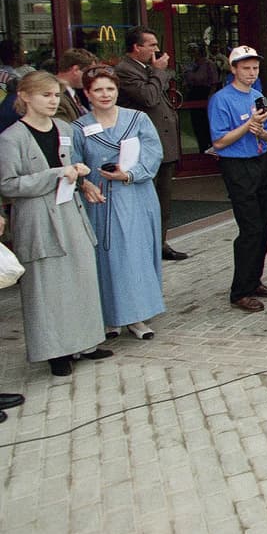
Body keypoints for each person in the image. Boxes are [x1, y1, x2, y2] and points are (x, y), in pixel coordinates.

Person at [0, 71, 111, 377]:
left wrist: (84, 182)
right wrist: (55, 176)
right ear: (25, 97)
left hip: (69, 209)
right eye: (45, 95)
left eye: (56, 95)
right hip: (37, 217)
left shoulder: (63, 128)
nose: (53, 101)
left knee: (81, 275)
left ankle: (85, 341)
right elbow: (8, 185)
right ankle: (55, 351)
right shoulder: (11, 138)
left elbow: (71, 166)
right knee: (46, 284)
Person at [73, 65, 165, 341]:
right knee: (105, 256)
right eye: (98, 90)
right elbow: (74, 161)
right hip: (100, 201)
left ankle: (137, 316)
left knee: (134, 255)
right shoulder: (79, 127)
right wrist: (84, 181)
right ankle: (110, 317)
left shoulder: (137, 119)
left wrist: (131, 174)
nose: (105, 94)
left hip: (135, 195)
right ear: (87, 94)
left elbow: (153, 153)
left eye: (110, 89)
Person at [207, 45, 267, 313]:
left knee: (264, 224)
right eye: (245, 68)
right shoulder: (221, 99)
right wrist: (248, 126)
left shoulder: (258, 95)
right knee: (250, 228)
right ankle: (240, 290)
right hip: (237, 165)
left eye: (255, 68)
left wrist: (261, 132)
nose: (251, 73)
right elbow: (220, 140)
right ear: (233, 69)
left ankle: (254, 278)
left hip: (260, 161)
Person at [114, 26, 186, 260]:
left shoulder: (147, 69)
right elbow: (148, 97)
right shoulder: (125, 70)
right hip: (144, 147)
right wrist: (157, 72)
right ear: (137, 47)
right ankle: (145, 245)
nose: (157, 49)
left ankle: (161, 242)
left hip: (164, 144)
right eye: (151, 45)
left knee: (163, 198)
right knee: (146, 199)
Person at [53, 48, 94, 122]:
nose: (91, 78)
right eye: (89, 73)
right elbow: (64, 129)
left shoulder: (71, 92)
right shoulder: (55, 95)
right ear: (75, 70)